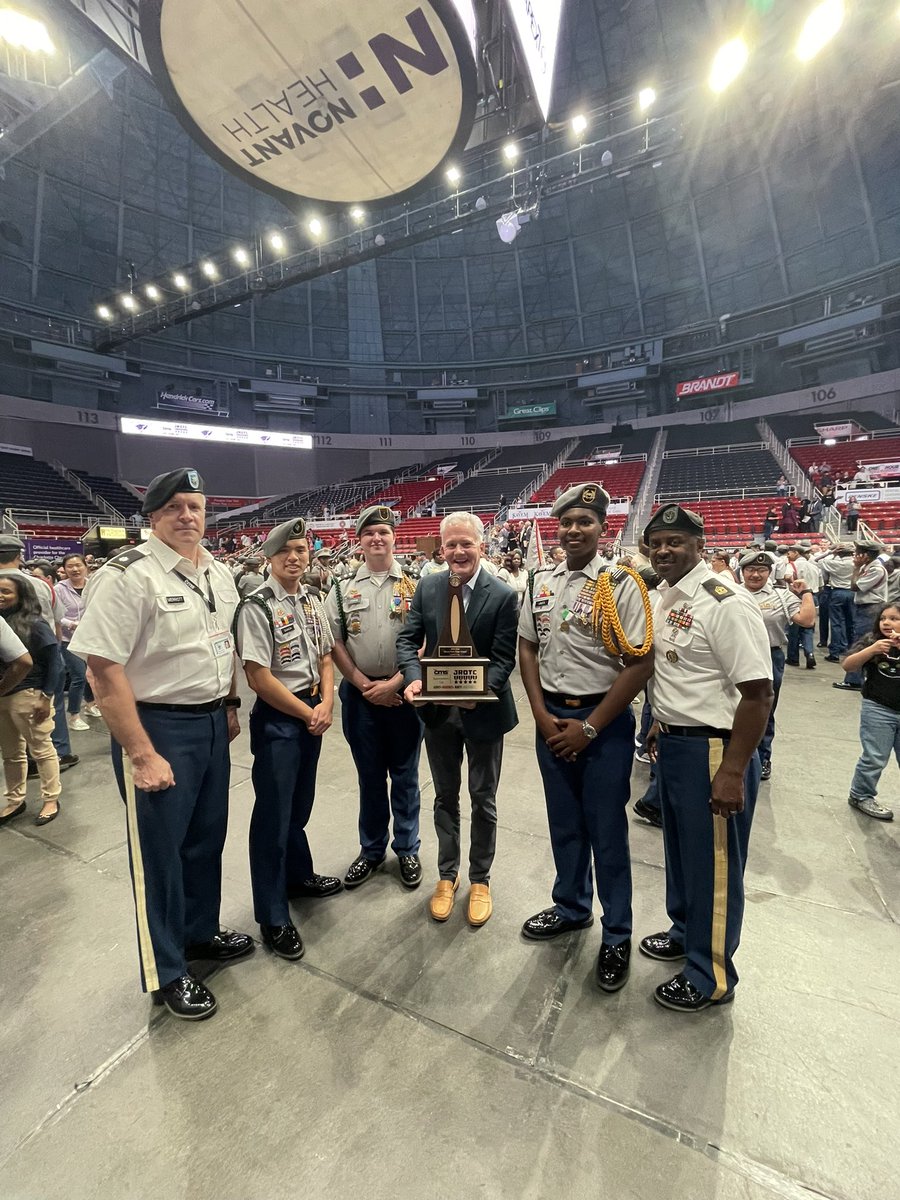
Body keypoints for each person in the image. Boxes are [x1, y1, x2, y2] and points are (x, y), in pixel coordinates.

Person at [69, 468, 253, 1022]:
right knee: (160, 858)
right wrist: (142, 753)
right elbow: (103, 671)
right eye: (175, 507)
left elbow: (217, 646)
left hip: (208, 725)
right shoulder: (127, 575)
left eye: (196, 506)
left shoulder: (217, 571)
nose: (188, 517)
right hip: (156, 728)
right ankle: (167, 970)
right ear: (152, 516)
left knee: (204, 842)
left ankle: (199, 935)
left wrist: (226, 704)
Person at [517, 484, 653, 992]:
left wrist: (591, 727)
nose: (575, 530)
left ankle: (617, 932)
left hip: (603, 725)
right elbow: (528, 649)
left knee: (606, 831)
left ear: (603, 528)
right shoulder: (540, 579)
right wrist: (538, 712)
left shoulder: (621, 583)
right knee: (565, 824)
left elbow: (640, 664)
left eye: (585, 522)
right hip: (551, 719)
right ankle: (571, 906)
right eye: (567, 522)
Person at [643, 504, 773, 1012]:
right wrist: (659, 720)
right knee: (682, 855)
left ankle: (710, 975)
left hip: (716, 747)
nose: (663, 550)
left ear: (701, 545)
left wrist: (735, 770)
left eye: (675, 541)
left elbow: (758, 693)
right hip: (676, 742)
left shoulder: (725, 602)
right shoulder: (663, 595)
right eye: (656, 542)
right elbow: (681, 675)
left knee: (715, 865)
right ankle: (685, 931)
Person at [397, 512, 518, 927]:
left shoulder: (502, 594)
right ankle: (447, 876)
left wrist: (479, 694)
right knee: (445, 797)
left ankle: (480, 880)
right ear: (441, 548)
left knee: (483, 798)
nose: (458, 552)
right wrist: (413, 679)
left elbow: (504, 660)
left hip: (482, 713)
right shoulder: (429, 586)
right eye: (450, 545)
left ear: (480, 546)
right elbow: (408, 638)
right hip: (437, 712)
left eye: (466, 544)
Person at [234, 517, 339, 963]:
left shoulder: (314, 599)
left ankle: (298, 876)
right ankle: (273, 915)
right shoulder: (257, 606)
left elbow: (327, 656)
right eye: (285, 552)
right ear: (269, 558)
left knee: (300, 807)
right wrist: (309, 712)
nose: (294, 558)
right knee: (273, 819)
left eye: (300, 550)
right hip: (281, 719)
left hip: (313, 709)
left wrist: (328, 702)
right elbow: (258, 677)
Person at [325, 506, 423, 891]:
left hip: (405, 695)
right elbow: (333, 641)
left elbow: (426, 641)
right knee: (369, 777)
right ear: (360, 540)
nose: (376, 539)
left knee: (405, 776)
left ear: (394, 537)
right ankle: (371, 850)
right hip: (360, 697)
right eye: (369, 534)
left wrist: (396, 683)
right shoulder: (340, 588)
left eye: (383, 532)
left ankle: (408, 848)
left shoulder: (417, 586)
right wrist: (365, 684)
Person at [739, 550, 815, 780]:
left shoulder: (781, 596)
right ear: (742, 572)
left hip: (769, 657)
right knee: (733, 707)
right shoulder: (732, 593)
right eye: (750, 569)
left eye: (761, 570)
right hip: (737, 655)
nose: (755, 574)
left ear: (770, 573)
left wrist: (807, 592)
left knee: (764, 710)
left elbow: (807, 620)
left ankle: (762, 758)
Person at [0, 580, 60, 825]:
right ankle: (15, 800)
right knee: (11, 753)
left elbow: (56, 663)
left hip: (28, 694)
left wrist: (45, 697)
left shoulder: (35, 624)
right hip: (3, 697)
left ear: (21, 595)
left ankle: (51, 799)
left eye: (6, 591)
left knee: (41, 749)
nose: (0, 596)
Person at [841, 602, 900, 821]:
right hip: (878, 708)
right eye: (884, 618)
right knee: (875, 757)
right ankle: (860, 795)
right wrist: (872, 650)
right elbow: (848, 665)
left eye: (894, 618)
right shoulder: (873, 641)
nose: (887, 622)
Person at [834, 543, 889, 692]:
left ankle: (854, 680)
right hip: (864, 607)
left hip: (871, 608)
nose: (855, 556)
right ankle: (856, 678)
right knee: (859, 639)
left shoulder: (876, 570)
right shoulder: (869, 567)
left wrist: (856, 568)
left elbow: (855, 586)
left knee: (861, 641)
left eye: (858, 553)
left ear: (865, 555)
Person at [55, 554, 101, 727]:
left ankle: (90, 704)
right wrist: (72, 624)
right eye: (70, 566)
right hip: (69, 639)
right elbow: (57, 615)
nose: (75, 569)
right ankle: (74, 715)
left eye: (78, 565)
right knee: (79, 676)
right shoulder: (59, 588)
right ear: (65, 569)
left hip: (90, 637)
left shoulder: (93, 585)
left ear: (85, 566)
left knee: (92, 674)